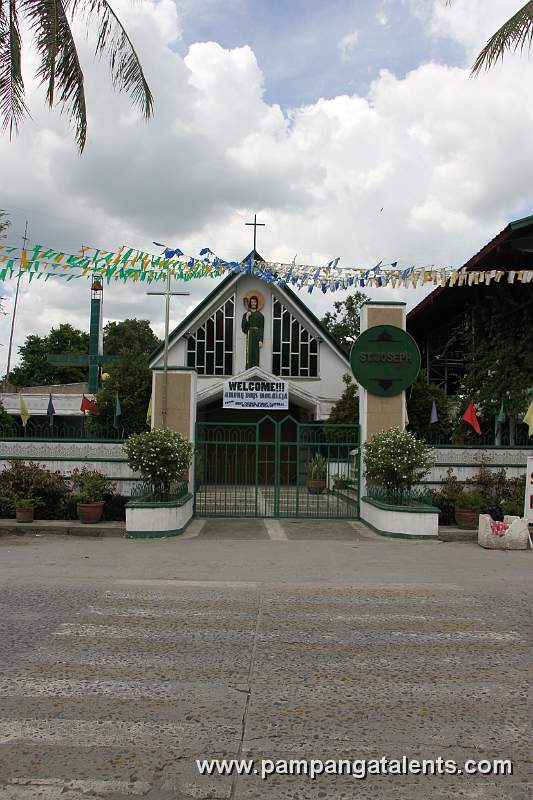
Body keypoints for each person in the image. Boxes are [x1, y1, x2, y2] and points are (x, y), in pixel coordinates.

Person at [241, 295, 264, 369]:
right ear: (250, 303)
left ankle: (256, 371)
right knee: (249, 353)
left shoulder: (260, 315)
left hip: (257, 335)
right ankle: (248, 370)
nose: (253, 303)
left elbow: (261, 328)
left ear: (256, 303)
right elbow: (244, 329)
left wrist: (261, 340)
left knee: (256, 354)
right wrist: (247, 317)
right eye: (252, 302)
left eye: (255, 302)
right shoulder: (246, 314)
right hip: (249, 334)